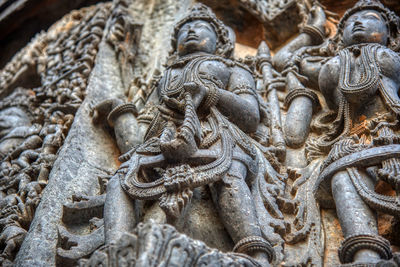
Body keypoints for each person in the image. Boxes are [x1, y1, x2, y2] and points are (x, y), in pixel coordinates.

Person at [92, 4, 283, 266]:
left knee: (228, 176)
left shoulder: (232, 69)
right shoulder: (165, 77)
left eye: (201, 27)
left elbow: (250, 116)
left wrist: (211, 94)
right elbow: (139, 137)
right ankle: (115, 252)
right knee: (121, 179)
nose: (191, 31)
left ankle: (255, 252)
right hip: (165, 142)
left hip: (217, 137)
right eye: (184, 29)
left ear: (221, 41)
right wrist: (121, 112)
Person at [298, 0, 400, 265]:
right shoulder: (333, 65)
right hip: (352, 138)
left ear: (392, 33)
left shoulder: (393, 58)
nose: (357, 23)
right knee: (341, 177)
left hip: (394, 130)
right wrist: (313, 32)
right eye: (349, 22)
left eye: (369, 18)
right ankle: (365, 254)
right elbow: (293, 63)